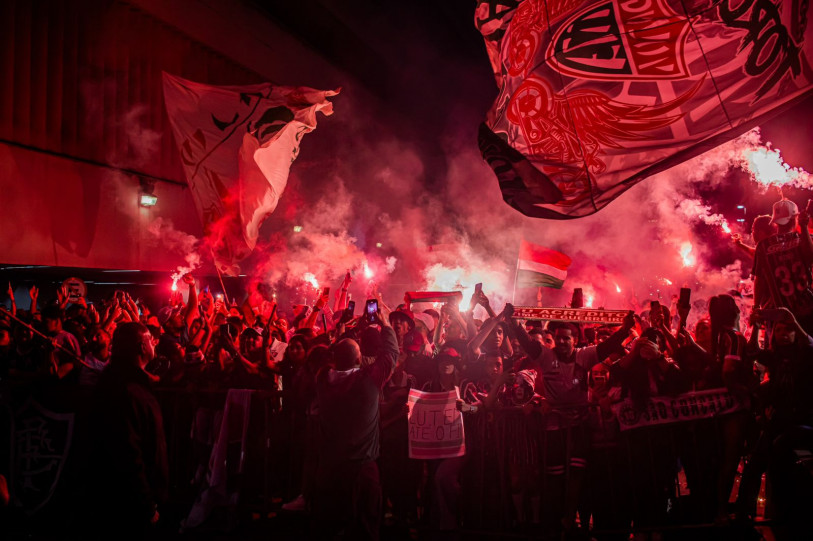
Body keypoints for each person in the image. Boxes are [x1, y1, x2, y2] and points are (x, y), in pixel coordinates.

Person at [312, 307, 399, 540]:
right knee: (365, 526)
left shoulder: (322, 380)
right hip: (361, 468)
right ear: (361, 360)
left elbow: (331, 356)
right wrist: (386, 325)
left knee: (334, 524)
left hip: (330, 468)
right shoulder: (367, 381)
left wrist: (346, 332)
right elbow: (391, 354)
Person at [85, 322, 168, 540]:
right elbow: (128, 452)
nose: (154, 343)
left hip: (120, 497)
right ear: (142, 347)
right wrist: (147, 503)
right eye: (150, 339)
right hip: (127, 503)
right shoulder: (127, 390)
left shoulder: (125, 382)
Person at [752, 199, 813, 333]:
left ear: (774, 221)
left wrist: (756, 306)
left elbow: (759, 280)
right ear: (795, 218)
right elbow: (810, 258)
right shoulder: (803, 239)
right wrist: (804, 227)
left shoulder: (763, 246)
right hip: (808, 308)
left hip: (780, 314)